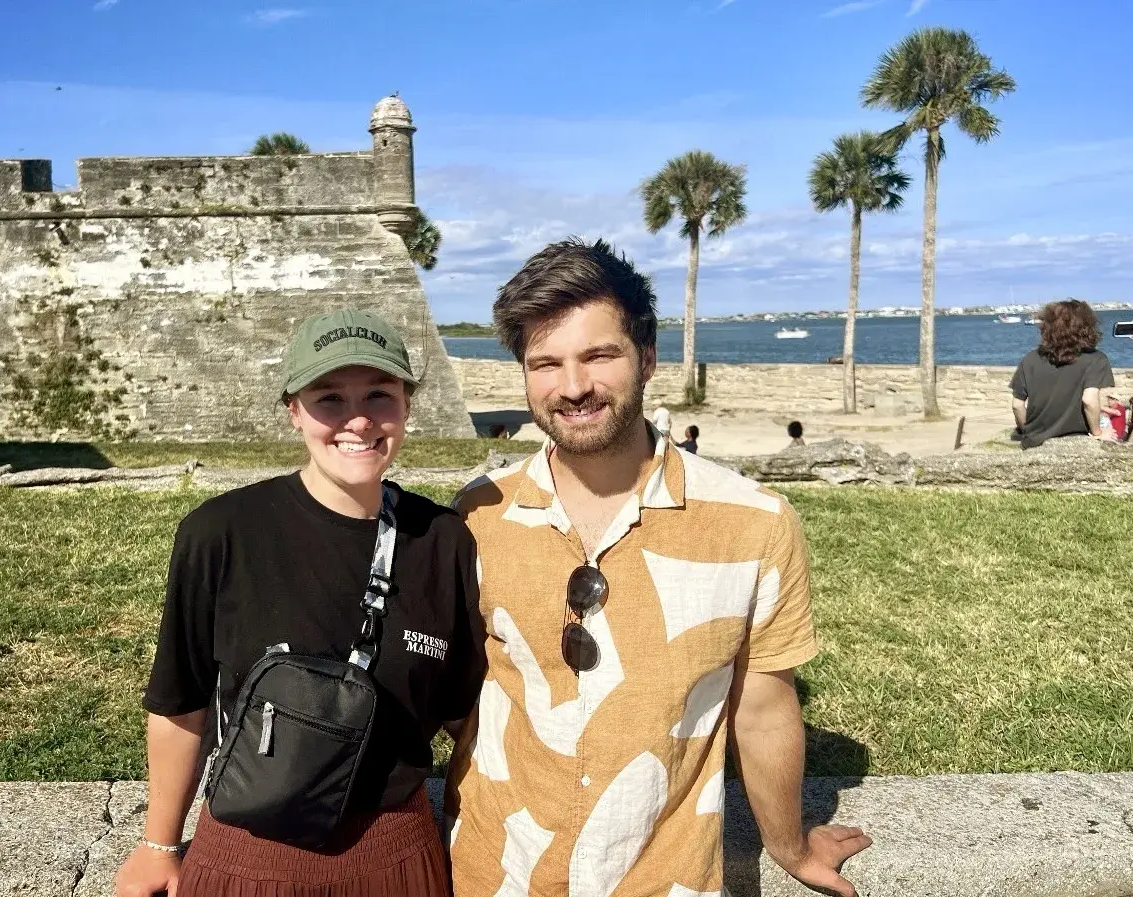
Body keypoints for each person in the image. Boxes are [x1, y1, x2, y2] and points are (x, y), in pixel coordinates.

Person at [444, 238, 870, 897]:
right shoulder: (478, 515)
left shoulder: (752, 522)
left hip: (662, 879)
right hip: (492, 871)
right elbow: (455, 686)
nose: (573, 385)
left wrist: (788, 842)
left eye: (598, 355)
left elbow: (760, 704)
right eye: (546, 363)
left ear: (647, 358)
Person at [116, 309, 486, 897]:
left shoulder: (443, 539)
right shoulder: (221, 532)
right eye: (330, 398)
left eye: (380, 395)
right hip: (247, 853)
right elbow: (179, 703)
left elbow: (465, 716)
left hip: (397, 858)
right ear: (295, 410)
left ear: (408, 406)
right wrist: (158, 845)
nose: (358, 420)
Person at [1010, 299, 1117, 449]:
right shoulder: (1096, 359)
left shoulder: (1030, 359)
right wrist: (1097, 433)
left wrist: (1026, 431)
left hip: (1035, 441)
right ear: (1086, 327)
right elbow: (1089, 401)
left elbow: (1017, 405)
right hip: (1078, 439)